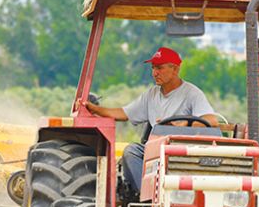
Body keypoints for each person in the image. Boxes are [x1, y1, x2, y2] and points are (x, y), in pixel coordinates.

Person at [79, 46, 219, 194]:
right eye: (153, 68)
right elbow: (124, 113)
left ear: (175, 69)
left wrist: (185, 125)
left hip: (182, 152)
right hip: (155, 151)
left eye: (159, 68)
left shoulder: (192, 93)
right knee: (132, 151)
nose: (154, 73)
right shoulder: (151, 94)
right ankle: (148, 198)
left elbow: (211, 120)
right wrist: (95, 109)